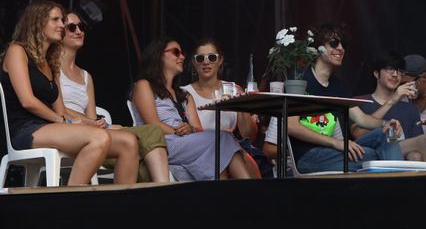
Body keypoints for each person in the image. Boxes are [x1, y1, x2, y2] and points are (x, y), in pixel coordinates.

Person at [0, 0, 138, 185]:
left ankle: (120, 208)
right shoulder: (17, 51)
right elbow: (28, 101)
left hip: (51, 127)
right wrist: (66, 122)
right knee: (99, 138)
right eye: (55, 20)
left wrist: (88, 123)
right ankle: (70, 203)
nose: (61, 25)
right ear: (38, 22)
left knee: (128, 142)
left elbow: (61, 110)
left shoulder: (51, 62)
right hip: (25, 129)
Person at [264, 22, 410, 174]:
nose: (340, 48)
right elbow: (291, 126)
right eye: (334, 43)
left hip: (332, 151)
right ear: (318, 49)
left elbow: (362, 119)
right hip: (307, 156)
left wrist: (386, 123)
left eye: (343, 44)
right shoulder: (299, 78)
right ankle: (398, 187)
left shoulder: (338, 86)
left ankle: (394, 184)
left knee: (385, 133)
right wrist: (338, 143)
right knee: (375, 156)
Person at [60, 11, 170, 182]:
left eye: (81, 27)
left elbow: (91, 117)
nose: (79, 31)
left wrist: (104, 125)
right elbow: (57, 108)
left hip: (90, 130)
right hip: (66, 129)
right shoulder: (52, 69)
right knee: (151, 132)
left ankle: (148, 196)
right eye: (72, 27)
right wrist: (102, 125)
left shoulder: (86, 76)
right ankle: (162, 189)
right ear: (60, 32)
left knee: (141, 150)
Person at [131, 37, 257, 180]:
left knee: (218, 151)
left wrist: (191, 129)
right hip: (160, 143)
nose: (182, 57)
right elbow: (152, 125)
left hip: (184, 144)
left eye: (182, 53)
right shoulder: (144, 85)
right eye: (176, 52)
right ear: (159, 56)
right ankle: (250, 193)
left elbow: (198, 129)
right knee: (223, 139)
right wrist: (178, 131)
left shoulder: (184, 95)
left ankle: (229, 197)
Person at [180, 38, 272, 178]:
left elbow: (249, 136)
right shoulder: (183, 93)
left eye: (212, 57)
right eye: (200, 58)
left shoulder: (232, 89)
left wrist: (240, 103)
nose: (206, 62)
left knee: (246, 160)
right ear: (194, 62)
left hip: (231, 149)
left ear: (220, 60)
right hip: (201, 151)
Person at [351, 51, 426, 161]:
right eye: (389, 69)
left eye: (399, 71)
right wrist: (392, 100)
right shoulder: (360, 101)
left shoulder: (410, 108)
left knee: (415, 154)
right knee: (423, 141)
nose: (395, 74)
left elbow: (417, 143)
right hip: (370, 155)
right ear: (376, 73)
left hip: (400, 158)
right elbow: (358, 134)